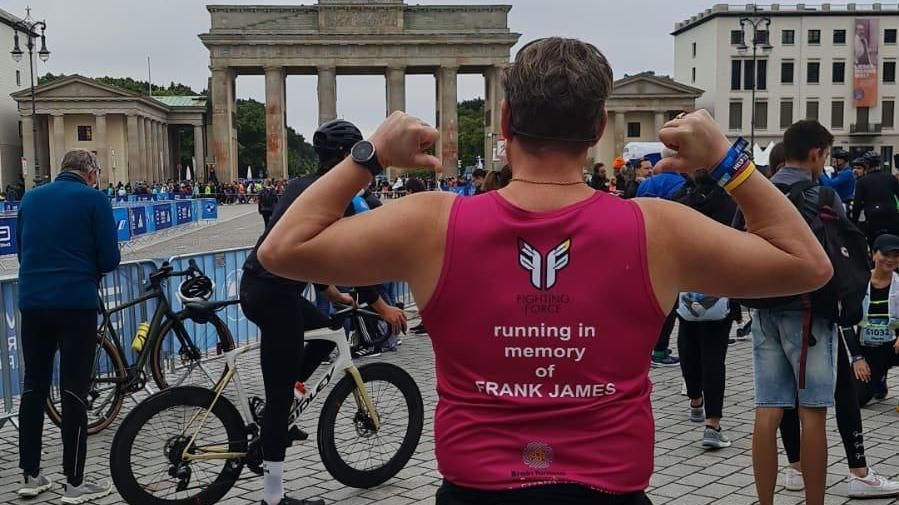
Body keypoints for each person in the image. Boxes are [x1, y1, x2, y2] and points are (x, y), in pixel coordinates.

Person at [257, 37, 831, 505]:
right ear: (599, 123)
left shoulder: (433, 224)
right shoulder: (657, 229)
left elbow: (281, 250)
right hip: (610, 489)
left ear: (504, 119)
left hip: (476, 490)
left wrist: (371, 154)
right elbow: (806, 265)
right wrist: (730, 161)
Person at [240, 119, 406, 505]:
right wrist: (379, 304)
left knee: (327, 331)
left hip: (262, 286)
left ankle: (288, 398)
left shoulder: (302, 187)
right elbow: (353, 258)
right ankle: (272, 496)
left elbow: (303, 247)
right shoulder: (338, 198)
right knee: (278, 399)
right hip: (273, 295)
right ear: (349, 158)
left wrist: (329, 292)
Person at [734, 120, 847, 505]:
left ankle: (765, 501)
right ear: (816, 152)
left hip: (764, 311)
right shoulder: (825, 197)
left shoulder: (758, 193)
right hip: (809, 315)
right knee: (812, 413)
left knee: (767, 410)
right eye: (826, 154)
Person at [16, 150, 119, 503]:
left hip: (32, 303)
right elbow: (110, 258)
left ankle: (30, 475)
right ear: (91, 173)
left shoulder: (30, 198)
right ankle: (74, 483)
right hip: (76, 303)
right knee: (74, 391)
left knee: (34, 387)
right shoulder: (94, 200)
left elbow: (21, 248)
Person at [673, 169, 738, 449]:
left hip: (687, 282)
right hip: (721, 282)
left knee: (687, 344)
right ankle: (713, 424)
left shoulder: (681, 202)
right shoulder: (731, 203)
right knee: (715, 356)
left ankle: (695, 399)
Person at [854, 233, 899, 408]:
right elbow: (845, 325)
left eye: (896, 255)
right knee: (858, 399)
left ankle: (881, 371)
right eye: (886, 254)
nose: (891, 260)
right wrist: (857, 357)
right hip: (868, 347)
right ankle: (878, 376)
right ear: (873, 254)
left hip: (893, 344)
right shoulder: (858, 282)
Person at [851, 151, 899, 245]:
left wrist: (854, 223)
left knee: (873, 244)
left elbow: (857, 205)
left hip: (873, 218)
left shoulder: (862, 182)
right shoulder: (891, 177)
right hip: (891, 216)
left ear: (866, 165)